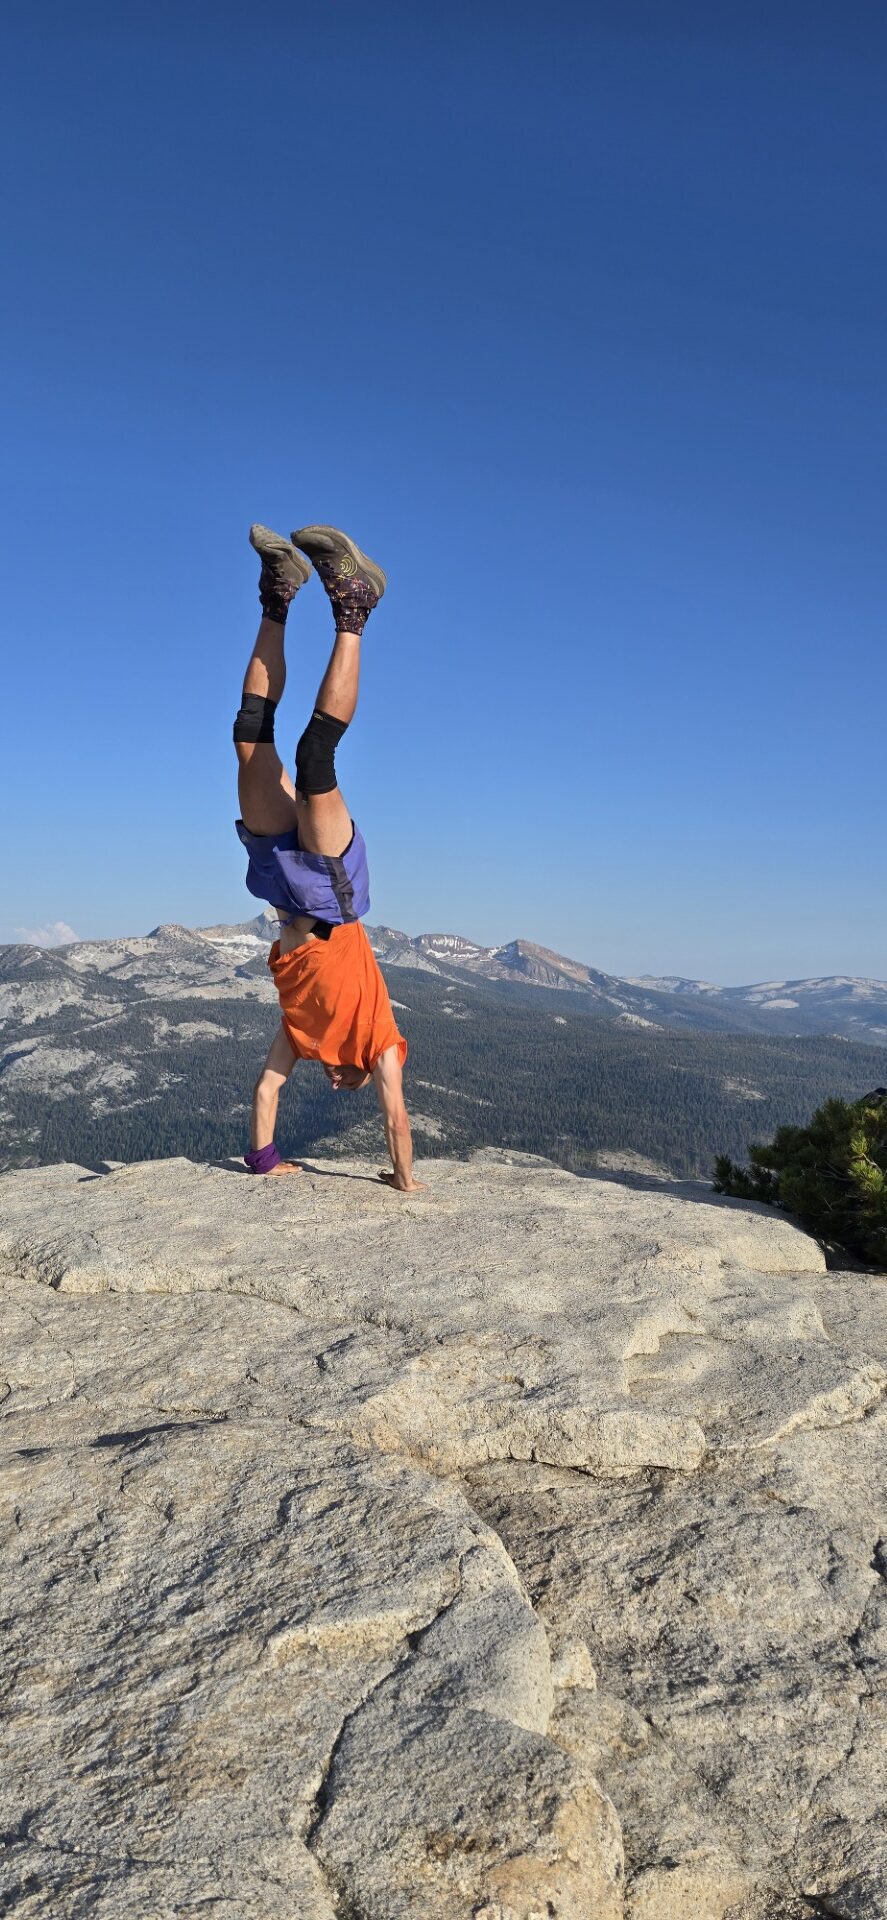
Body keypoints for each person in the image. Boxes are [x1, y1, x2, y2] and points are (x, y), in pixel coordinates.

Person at [232, 522, 420, 1193]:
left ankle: (279, 593)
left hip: (277, 878)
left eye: (338, 1083)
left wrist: (264, 1162)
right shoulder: (382, 1045)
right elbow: (396, 1119)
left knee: (249, 738)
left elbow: (264, 1090)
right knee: (315, 760)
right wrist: (403, 1182)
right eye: (355, 1084)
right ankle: (354, 608)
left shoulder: (299, 1037)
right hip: (331, 895)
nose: (344, 1083)